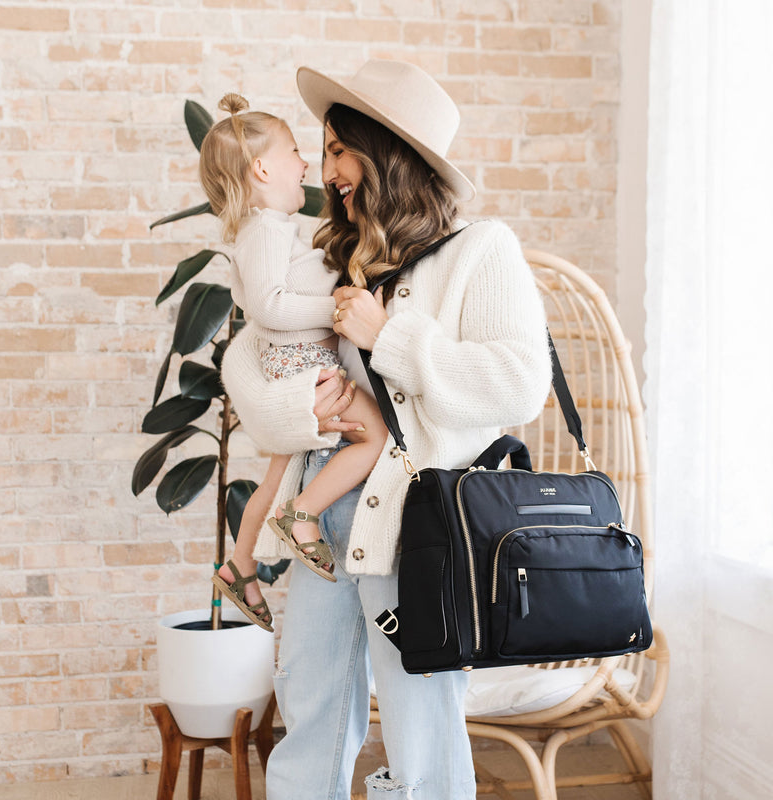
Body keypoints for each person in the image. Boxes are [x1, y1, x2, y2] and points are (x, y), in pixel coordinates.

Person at [221, 60, 552, 800]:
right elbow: (246, 359)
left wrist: (391, 335)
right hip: (324, 513)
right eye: (324, 150)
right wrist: (299, 410)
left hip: (417, 524)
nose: (327, 169)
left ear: (385, 152)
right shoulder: (330, 255)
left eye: (338, 150)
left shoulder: (480, 251)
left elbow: (519, 384)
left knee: (418, 724)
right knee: (309, 703)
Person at [199, 92, 387, 632]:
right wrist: (337, 308)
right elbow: (268, 306)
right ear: (261, 168)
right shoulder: (262, 230)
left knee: (276, 473)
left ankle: (240, 566)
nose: (309, 166)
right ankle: (302, 516)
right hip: (303, 363)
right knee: (372, 438)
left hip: (301, 361)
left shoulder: (278, 230)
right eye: (296, 152)